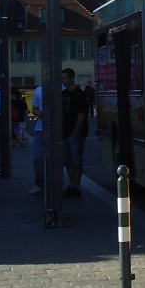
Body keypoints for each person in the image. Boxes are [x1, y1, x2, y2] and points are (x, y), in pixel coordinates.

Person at [61, 68, 90, 198]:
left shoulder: (79, 94)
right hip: (65, 132)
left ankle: (76, 186)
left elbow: (82, 114)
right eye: (62, 78)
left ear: (72, 78)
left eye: (65, 78)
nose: (63, 81)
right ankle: (72, 185)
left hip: (76, 132)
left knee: (76, 160)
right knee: (68, 161)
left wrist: (76, 131)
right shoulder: (62, 94)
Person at [28, 83, 44, 196]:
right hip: (40, 128)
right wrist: (39, 113)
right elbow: (34, 109)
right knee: (38, 159)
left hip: (58, 128)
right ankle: (39, 184)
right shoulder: (39, 89)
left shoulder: (62, 88)